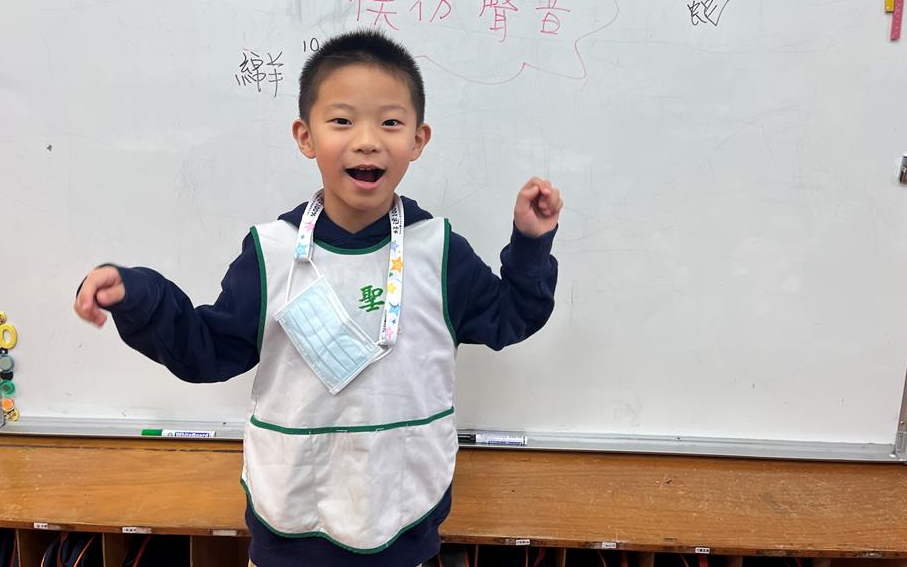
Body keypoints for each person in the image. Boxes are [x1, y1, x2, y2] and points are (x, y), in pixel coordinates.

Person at [74, 30, 562, 567]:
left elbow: (510, 317)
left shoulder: (438, 251)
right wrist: (140, 295)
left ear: (418, 140)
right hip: (290, 528)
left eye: (390, 123)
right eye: (342, 121)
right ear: (305, 137)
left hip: (404, 523)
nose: (367, 141)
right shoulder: (272, 252)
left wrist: (530, 244)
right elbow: (205, 350)